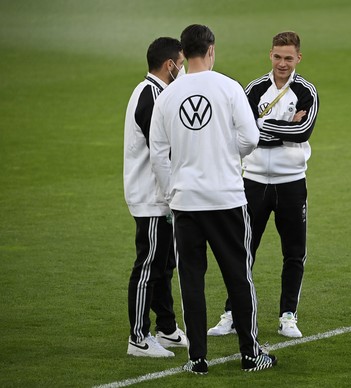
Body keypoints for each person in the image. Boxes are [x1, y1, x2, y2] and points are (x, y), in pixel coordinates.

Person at [149, 24, 277, 374]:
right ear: (211, 50)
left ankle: (197, 359)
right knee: (239, 275)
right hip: (226, 198)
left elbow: (158, 154)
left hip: (186, 202)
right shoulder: (229, 87)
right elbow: (251, 138)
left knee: (191, 280)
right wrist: (225, 151)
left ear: (182, 55)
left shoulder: (168, 96)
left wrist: (171, 191)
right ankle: (250, 354)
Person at [207, 31, 319, 339]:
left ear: (298, 58)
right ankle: (232, 312)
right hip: (253, 181)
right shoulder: (254, 89)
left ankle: (288, 315)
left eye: (288, 58)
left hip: (291, 182)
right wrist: (285, 127)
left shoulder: (306, 90)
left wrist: (262, 126)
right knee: (243, 249)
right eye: (277, 56)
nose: (282, 63)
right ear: (270, 55)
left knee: (294, 252)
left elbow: (304, 132)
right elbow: (241, 133)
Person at [123, 37, 187, 358]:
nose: (183, 68)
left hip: (162, 196)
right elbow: (162, 147)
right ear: (169, 65)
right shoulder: (150, 96)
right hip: (151, 196)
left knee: (164, 264)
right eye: (181, 63)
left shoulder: (159, 93)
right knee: (148, 264)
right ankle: (138, 337)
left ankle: (166, 327)